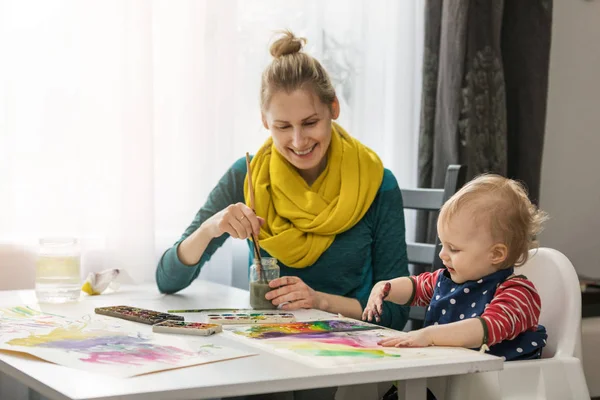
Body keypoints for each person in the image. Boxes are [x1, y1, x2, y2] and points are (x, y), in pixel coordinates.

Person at [155, 30, 410, 334]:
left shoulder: (378, 184)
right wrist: (211, 227)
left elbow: (395, 313)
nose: (299, 140)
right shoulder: (248, 174)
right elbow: (168, 280)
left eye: (310, 122)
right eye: (283, 126)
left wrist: (320, 302)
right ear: (265, 122)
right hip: (269, 347)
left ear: (333, 109)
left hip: (346, 355)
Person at [363, 174, 549, 362]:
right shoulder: (449, 279)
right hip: (450, 374)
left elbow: (484, 329)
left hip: (497, 382)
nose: (442, 254)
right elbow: (415, 287)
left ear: (496, 254)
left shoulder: (518, 294)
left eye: (453, 249)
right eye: (442, 245)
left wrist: (429, 335)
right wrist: (386, 288)